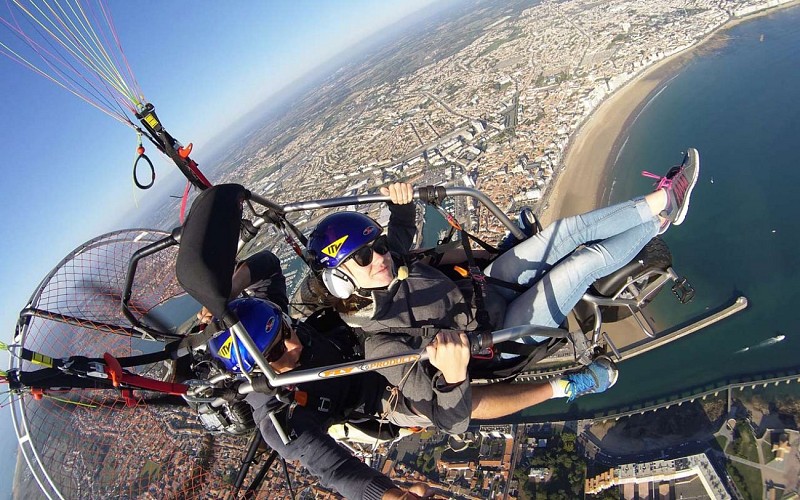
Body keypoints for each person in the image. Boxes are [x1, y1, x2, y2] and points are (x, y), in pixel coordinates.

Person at [207, 251, 619, 500]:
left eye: (286, 329)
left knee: (418, 267)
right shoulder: (280, 420)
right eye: (278, 352)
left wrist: (228, 289)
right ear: (255, 370)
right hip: (380, 395)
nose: (293, 343)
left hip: (370, 337)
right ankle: (567, 384)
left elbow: (266, 266)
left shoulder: (256, 324)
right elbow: (336, 471)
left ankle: (502, 267)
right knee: (457, 404)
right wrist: (393, 495)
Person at [307, 148, 700, 400]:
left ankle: (663, 201)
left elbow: (400, 232)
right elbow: (444, 411)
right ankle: (660, 218)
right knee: (583, 263)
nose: (380, 257)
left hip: (485, 287)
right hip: (501, 338)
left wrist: (400, 201)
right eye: (364, 257)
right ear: (340, 280)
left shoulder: (386, 263)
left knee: (566, 231)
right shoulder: (381, 346)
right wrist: (453, 375)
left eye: (376, 246)